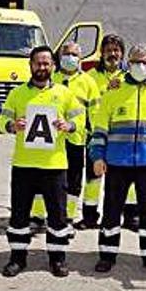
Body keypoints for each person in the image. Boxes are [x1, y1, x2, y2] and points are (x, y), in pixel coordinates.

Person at [89, 43, 146, 276]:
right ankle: (107, 255)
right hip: (117, 163)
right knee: (111, 211)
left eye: (145, 62)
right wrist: (97, 156)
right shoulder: (113, 92)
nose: (141, 66)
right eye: (136, 61)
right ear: (128, 63)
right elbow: (99, 129)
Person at [0, 46, 85, 277]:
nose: (42, 67)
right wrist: (11, 125)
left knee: (57, 216)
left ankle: (57, 259)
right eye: (38, 63)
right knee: (19, 215)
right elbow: (1, 120)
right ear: (30, 65)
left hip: (54, 166)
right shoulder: (17, 94)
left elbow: (80, 120)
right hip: (24, 165)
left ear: (53, 66)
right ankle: (17, 258)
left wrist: (70, 126)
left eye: (47, 63)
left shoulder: (65, 94)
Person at [30, 41, 100, 229]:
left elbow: (94, 112)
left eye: (74, 54)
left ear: (80, 58)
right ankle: (37, 216)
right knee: (42, 178)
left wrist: (94, 135)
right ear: (59, 58)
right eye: (66, 54)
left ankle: (67, 218)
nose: (70, 58)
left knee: (73, 182)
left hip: (76, 139)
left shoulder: (89, 82)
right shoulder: (52, 78)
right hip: (49, 140)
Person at [78, 34, 140, 231]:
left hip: (121, 138)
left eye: (116, 50)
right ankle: (89, 216)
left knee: (126, 181)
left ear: (122, 54)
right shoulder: (90, 78)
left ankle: (130, 217)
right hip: (96, 136)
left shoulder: (129, 77)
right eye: (108, 50)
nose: (112, 54)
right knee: (93, 179)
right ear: (101, 53)